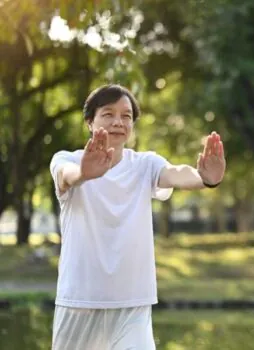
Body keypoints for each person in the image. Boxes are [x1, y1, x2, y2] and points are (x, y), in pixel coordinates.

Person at [49, 84, 226, 350]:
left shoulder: (145, 164)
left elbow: (176, 173)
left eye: (126, 116)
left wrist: (206, 179)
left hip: (133, 303)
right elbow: (66, 176)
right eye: (108, 114)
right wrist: (85, 173)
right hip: (80, 301)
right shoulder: (67, 159)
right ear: (89, 122)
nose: (118, 122)